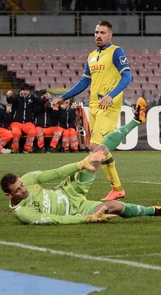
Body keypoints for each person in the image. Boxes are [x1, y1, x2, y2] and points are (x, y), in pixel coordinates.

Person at [0, 98, 161, 225]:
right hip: (76, 211)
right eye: (18, 190)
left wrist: (80, 165)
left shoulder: (29, 179)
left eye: (21, 184)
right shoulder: (24, 214)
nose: (23, 189)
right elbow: (59, 220)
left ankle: (136, 120)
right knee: (114, 207)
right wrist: (87, 218)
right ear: (9, 195)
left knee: (98, 153)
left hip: (69, 190)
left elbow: (55, 174)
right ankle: (156, 210)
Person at [52, 20, 132, 201]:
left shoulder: (116, 52)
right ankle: (117, 189)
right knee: (101, 148)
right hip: (94, 106)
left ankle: (79, 189)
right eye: (96, 32)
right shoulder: (91, 56)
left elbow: (127, 76)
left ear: (110, 35)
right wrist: (64, 97)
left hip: (109, 105)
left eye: (102, 33)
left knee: (94, 148)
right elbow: (84, 81)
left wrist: (111, 95)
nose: (98, 35)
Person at [6, 83, 39, 153]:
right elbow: (10, 100)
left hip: (28, 122)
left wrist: (45, 98)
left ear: (29, 91)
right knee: (16, 133)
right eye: (23, 90)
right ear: (20, 91)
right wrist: (8, 96)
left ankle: (27, 148)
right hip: (16, 122)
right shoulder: (16, 97)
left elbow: (40, 101)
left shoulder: (33, 97)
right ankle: (14, 148)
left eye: (27, 90)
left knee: (32, 132)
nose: (25, 92)